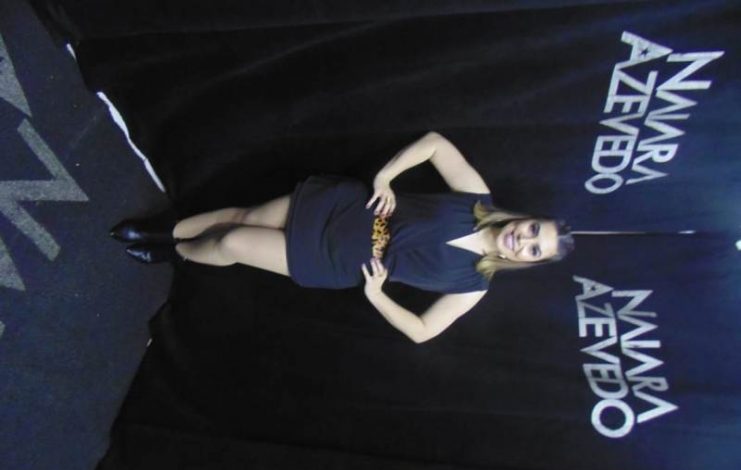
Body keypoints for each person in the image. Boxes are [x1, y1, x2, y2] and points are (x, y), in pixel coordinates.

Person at [110, 131, 574, 343]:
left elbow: (422, 332)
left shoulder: (473, 286)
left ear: (528, 262)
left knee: (232, 242)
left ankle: (179, 253)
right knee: (243, 215)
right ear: (528, 219)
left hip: (338, 261)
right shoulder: (476, 198)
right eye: (534, 230)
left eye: (534, 249)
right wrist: (387, 177)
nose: (524, 240)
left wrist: (377, 296)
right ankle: (163, 229)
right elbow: (436, 143)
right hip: (347, 208)